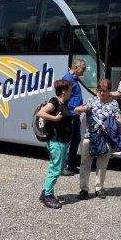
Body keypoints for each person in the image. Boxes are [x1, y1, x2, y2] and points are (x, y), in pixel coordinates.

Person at [77, 79, 120, 199]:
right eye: (99, 90)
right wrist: (80, 109)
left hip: (105, 138)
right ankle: (84, 189)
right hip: (89, 137)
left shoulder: (114, 104)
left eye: (104, 91)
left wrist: (116, 122)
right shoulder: (91, 101)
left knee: (102, 165)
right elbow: (82, 109)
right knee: (85, 164)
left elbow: (119, 119)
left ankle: (99, 188)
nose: (101, 93)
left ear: (109, 91)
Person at [37, 79, 74, 209]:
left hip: (62, 141)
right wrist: (55, 119)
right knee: (56, 169)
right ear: (63, 91)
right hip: (56, 141)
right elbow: (40, 113)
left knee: (56, 168)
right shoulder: (55, 101)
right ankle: (48, 195)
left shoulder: (64, 103)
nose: (71, 92)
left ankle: (45, 191)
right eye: (70, 89)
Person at [62, 59, 87, 176]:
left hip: (75, 114)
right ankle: (64, 166)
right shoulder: (67, 79)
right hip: (70, 114)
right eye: (83, 68)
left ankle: (71, 165)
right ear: (76, 68)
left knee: (76, 139)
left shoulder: (74, 79)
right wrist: (72, 110)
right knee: (67, 140)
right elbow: (63, 97)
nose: (84, 71)